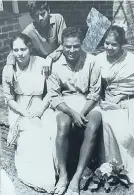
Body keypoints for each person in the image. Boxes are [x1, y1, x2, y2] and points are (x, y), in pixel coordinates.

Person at [47, 27, 102, 195]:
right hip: (66, 103)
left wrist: (82, 113)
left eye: (76, 46)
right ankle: (63, 174)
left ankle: (76, 177)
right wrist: (72, 113)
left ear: (82, 45)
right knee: (63, 125)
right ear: (62, 46)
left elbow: (94, 92)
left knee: (92, 126)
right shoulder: (55, 66)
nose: (72, 50)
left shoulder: (91, 61)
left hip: (88, 103)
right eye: (68, 46)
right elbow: (54, 96)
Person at [2, 33, 57, 192]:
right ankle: (37, 179)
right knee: (32, 133)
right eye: (16, 50)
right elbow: (9, 98)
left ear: (30, 48)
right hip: (19, 107)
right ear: (12, 51)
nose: (19, 53)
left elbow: (51, 91)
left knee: (50, 128)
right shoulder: (8, 69)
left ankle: (55, 172)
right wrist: (25, 113)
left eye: (23, 49)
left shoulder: (41, 63)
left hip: (41, 104)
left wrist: (40, 109)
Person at [95, 25, 134, 183]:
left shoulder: (129, 59)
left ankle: (128, 165)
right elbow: (95, 84)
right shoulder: (99, 58)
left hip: (126, 98)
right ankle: (110, 165)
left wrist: (120, 98)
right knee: (107, 120)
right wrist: (103, 100)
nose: (109, 47)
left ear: (122, 44)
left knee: (126, 123)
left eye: (114, 44)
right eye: (107, 43)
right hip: (107, 98)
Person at [6, 0, 66, 81]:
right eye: (36, 16)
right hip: (43, 66)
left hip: (60, 59)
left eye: (42, 14)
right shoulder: (29, 31)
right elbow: (14, 50)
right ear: (32, 17)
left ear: (48, 10)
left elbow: (65, 44)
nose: (40, 18)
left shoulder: (58, 19)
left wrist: (51, 57)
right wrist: (9, 66)